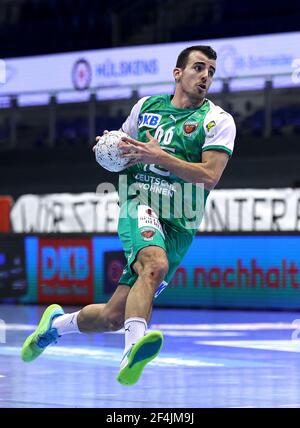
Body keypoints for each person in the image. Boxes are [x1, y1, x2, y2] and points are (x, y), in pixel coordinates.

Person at [21, 45, 236, 386]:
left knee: (112, 316)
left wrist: (159, 155)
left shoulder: (218, 121)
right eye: (198, 67)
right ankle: (132, 352)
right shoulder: (146, 108)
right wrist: (109, 148)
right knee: (154, 265)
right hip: (140, 201)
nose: (206, 76)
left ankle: (55, 326)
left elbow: (209, 175)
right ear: (178, 74)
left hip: (181, 221)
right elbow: (121, 148)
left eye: (211, 70)